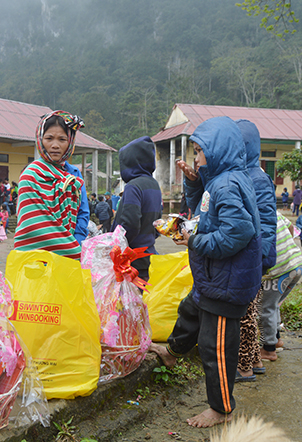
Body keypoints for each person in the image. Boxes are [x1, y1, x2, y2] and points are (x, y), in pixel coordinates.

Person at [149, 116, 262, 428]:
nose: (195, 158)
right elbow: (202, 209)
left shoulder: (226, 185)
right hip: (214, 278)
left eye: (199, 151)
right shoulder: (222, 180)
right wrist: (194, 181)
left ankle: (221, 408)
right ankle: (172, 351)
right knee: (190, 310)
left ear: (219, 151)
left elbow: (237, 233)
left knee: (216, 347)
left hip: (227, 282)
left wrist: (195, 240)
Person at [234, 119, 277, 383]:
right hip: (254, 256)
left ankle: (245, 367)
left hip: (255, 257)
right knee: (251, 310)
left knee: (246, 315)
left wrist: (260, 258)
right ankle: (256, 360)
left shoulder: (257, 179)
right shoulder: (249, 175)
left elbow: (266, 222)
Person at [14, 110, 88, 259]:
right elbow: (31, 220)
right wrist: (66, 247)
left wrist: (76, 243)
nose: (55, 145)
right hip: (35, 257)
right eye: (49, 138)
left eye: (62, 139)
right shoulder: (31, 175)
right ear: (40, 140)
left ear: (70, 142)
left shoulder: (73, 177)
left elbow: (82, 212)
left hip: (70, 254)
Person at [111, 136, 163, 281]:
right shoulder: (154, 184)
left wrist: (117, 249)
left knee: (130, 302)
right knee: (143, 300)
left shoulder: (133, 186)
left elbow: (130, 223)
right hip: (149, 255)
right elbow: (158, 220)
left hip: (132, 260)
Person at [259, 211, 302, 362]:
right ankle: (277, 340)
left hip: (279, 271)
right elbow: (291, 227)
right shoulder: (272, 211)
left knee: (266, 308)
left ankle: (269, 349)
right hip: (296, 264)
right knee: (274, 304)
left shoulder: (254, 214)